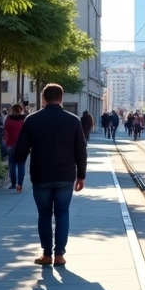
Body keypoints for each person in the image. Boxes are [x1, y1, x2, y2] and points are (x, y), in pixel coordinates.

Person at [13, 84, 88, 265]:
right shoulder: (73, 120)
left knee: (44, 215)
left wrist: (17, 170)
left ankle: (47, 255)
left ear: (43, 99)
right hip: (65, 175)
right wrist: (81, 175)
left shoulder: (32, 120)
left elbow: (20, 150)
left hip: (41, 175)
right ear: (61, 98)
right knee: (63, 213)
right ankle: (60, 255)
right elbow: (81, 150)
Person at [3, 104, 27, 193]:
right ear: (21, 110)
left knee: (12, 166)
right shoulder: (25, 120)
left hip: (11, 145)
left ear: (12, 110)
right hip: (23, 146)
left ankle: (13, 185)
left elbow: (5, 133)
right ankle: (19, 187)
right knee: (21, 166)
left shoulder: (8, 119)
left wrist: (6, 143)